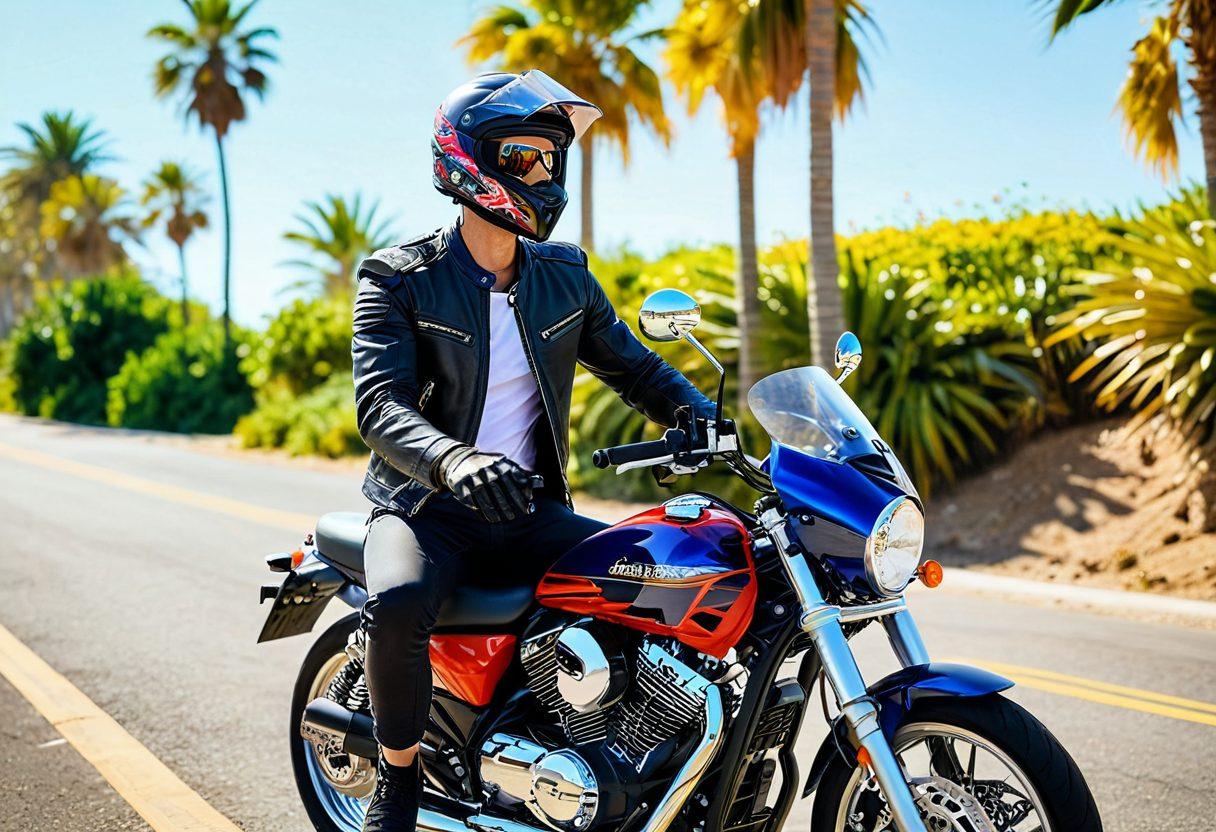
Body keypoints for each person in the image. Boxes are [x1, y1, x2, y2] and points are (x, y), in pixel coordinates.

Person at [351, 70, 714, 832]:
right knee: (398, 602)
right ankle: (399, 778)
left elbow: (635, 368)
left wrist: (702, 414)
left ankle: (618, 759)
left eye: (552, 160)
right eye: (524, 158)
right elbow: (379, 407)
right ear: (467, 160)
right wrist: (452, 460)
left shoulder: (563, 278)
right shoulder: (399, 278)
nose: (544, 175)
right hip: (428, 509)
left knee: (663, 580)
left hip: (529, 510)